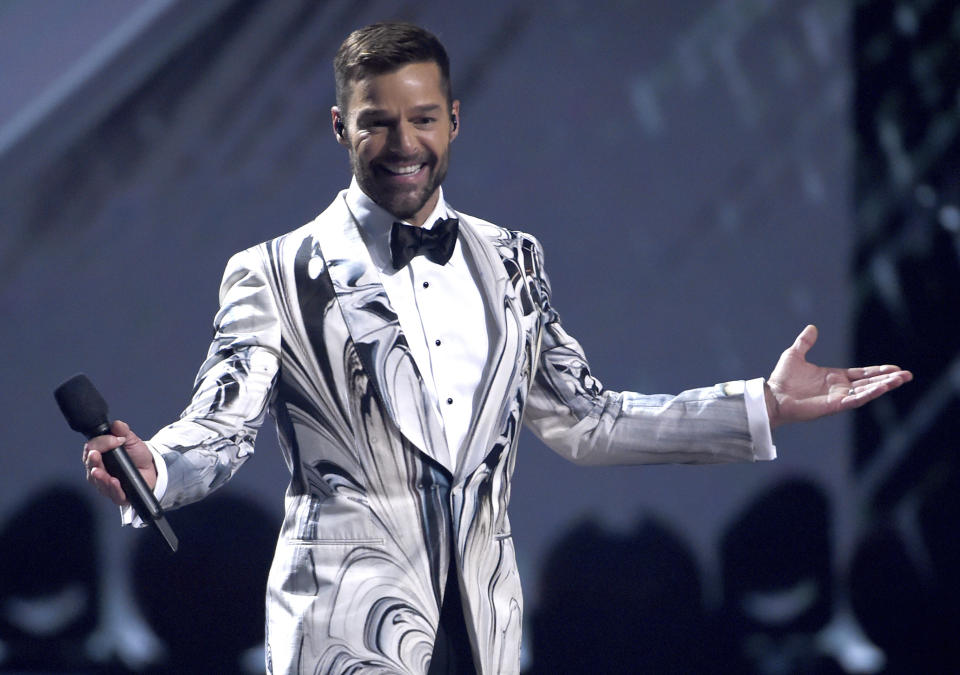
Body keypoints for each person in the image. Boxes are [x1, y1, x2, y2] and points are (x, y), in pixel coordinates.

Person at [81, 21, 912, 675]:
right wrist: (155, 465)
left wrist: (759, 405)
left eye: (422, 118)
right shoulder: (272, 272)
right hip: (339, 631)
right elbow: (220, 425)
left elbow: (588, 421)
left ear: (453, 120)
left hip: (482, 628)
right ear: (340, 127)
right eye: (377, 122)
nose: (403, 142)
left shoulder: (512, 259)